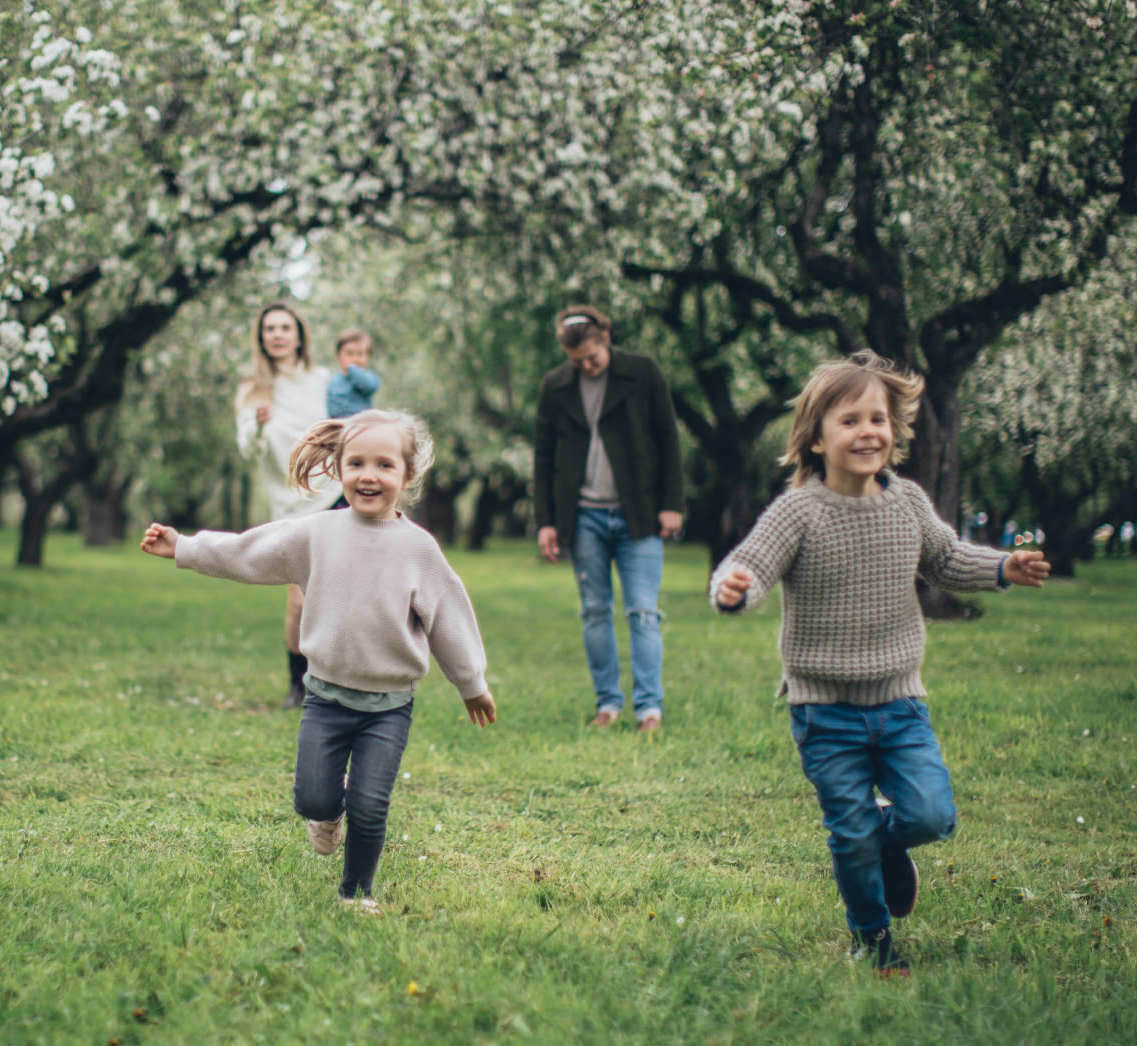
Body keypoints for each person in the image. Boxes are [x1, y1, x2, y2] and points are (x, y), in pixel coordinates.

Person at [708, 350, 1051, 977]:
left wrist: (1002, 567)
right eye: (850, 420)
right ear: (816, 438)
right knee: (850, 832)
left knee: (931, 814)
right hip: (824, 711)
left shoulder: (909, 504)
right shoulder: (798, 512)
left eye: (879, 418)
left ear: (894, 430)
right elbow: (751, 565)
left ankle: (889, 848)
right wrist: (735, 588)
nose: (869, 431)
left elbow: (947, 560)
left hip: (899, 703)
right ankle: (873, 938)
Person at [142, 409, 498, 912]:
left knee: (371, 806)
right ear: (337, 469)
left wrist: (472, 683)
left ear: (407, 475)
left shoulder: (419, 549)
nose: (368, 475)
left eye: (384, 465)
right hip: (325, 699)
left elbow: (450, 620)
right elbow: (249, 552)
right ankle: (327, 813)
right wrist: (185, 547)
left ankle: (356, 894)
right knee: (313, 799)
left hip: (388, 707)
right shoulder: (317, 534)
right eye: (356, 463)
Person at [532, 305, 684, 732]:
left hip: (640, 514)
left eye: (592, 357)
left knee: (642, 611)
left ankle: (649, 708)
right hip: (583, 517)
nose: (586, 366)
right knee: (595, 611)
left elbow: (667, 437)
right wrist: (546, 520)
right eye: (576, 360)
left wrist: (672, 503)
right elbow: (543, 456)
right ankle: (608, 704)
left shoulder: (642, 372)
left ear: (605, 339)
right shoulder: (556, 386)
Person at [236, 301, 337, 708]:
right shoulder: (253, 390)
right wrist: (259, 426)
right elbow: (247, 448)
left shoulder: (323, 379)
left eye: (284, 328)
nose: (277, 334)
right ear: (262, 338)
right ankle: (299, 685)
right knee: (299, 601)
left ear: (299, 335)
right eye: (270, 329)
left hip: (336, 495)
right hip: (292, 505)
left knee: (338, 596)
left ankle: (337, 682)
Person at [326, 328, 382, 418]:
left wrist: (352, 369)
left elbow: (369, 386)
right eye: (349, 353)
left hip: (361, 424)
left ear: (368, 357)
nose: (355, 359)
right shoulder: (334, 380)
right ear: (338, 357)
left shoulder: (369, 377)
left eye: (360, 354)